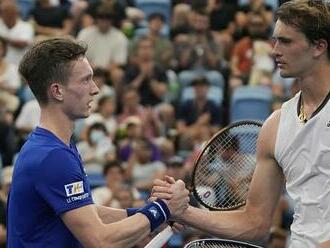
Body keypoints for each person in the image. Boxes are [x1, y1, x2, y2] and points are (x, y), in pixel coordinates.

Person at [152, 0, 330, 247]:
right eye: (275, 39)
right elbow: (255, 224)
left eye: (286, 41)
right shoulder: (276, 125)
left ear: (319, 46)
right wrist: (182, 211)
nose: (275, 50)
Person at [7, 38, 190, 247]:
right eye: (85, 80)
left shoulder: (53, 147)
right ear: (57, 91)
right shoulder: (53, 157)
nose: (95, 89)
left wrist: (147, 215)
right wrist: (162, 210)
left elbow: (89, 213)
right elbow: (101, 241)